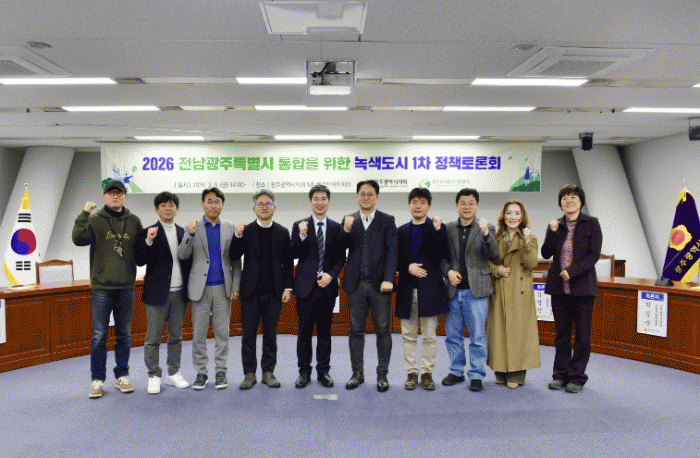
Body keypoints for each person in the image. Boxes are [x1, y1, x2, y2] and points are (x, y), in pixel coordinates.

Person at [72, 179, 143, 399]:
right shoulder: (95, 220)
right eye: (111, 193)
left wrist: (149, 242)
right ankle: (97, 379)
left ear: (125, 197)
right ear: (104, 197)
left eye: (119, 193)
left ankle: (122, 376)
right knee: (99, 335)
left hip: (126, 287)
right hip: (101, 287)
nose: (115, 196)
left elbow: (140, 254)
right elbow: (78, 239)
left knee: (124, 335)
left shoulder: (134, 221)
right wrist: (84, 213)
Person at [177, 187, 240, 391]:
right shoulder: (192, 227)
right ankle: (201, 373)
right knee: (199, 335)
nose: (213, 205)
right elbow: (182, 254)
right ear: (203, 204)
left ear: (222, 204)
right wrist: (189, 234)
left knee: (222, 333)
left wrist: (236, 285)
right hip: (200, 289)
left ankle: (221, 372)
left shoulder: (230, 227)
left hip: (223, 287)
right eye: (209, 201)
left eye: (217, 201)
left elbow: (235, 260)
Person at [541, 185, 602, 394]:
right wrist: (552, 233)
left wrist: (572, 271)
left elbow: (594, 255)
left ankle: (577, 377)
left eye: (573, 197)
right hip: (559, 289)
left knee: (582, 336)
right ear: (560, 203)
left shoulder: (591, 223)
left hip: (583, 288)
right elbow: (546, 253)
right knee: (562, 334)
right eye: (565, 198)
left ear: (581, 201)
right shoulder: (555, 225)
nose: (569, 201)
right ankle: (560, 375)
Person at [231, 189, 293, 390]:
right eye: (260, 204)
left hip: (274, 292)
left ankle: (268, 372)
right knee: (248, 335)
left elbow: (287, 262)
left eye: (268, 204)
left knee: (270, 335)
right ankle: (249, 373)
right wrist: (237, 236)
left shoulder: (282, 232)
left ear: (274, 207)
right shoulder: (246, 231)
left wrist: (287, 287)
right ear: (254, 209)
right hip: (250, 292)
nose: (264, 207)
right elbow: (234, 255)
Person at [342, 179, 398, 392]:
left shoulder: (387, 220)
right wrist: (346, 231)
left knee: (383, 330)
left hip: (379, 286)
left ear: (377, 197)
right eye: (362, 194)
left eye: (370, 194)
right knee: (355, 330)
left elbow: (392, 252)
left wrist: (389, 278)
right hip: (355, 285)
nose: (366, 198)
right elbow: (339, 248)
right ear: (357, 197)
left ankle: (382, 374)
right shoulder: (349, 220)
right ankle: (357, 373)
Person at [134, 192, 192, 394]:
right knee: (153, 338)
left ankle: (173, 373)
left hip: (179, 293)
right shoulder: (147, 232)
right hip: (156, 294)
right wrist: (148, 241)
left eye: (171, 205)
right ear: (156, 209)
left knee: (176, 337)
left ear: (177, 209)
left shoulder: (183, 232)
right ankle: (153, 375)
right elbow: (140, 260)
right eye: (163, 205)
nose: (168, 208)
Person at [441, 188, 498, 392]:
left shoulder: (487, 227)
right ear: (457, 206)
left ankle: (476, 374)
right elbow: (441, 257)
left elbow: (493, 253)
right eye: (463, 203)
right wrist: (448, 272)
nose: (467, 207)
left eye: (471, 203)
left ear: (477, 206)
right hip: (453, 291)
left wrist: (486, 234)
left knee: (478, 336)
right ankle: (456, 371)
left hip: (477, 291)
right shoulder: (448, 228)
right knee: (453, 335)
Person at [290, 184, 346, 389]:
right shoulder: (299, 225)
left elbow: (340, 259)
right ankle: (304, 372)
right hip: (305, 288)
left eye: (323, 199)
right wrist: (302, 236)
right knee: (304, 333)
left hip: (327, 288)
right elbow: (293, 253)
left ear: (328, 202)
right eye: (316, 199)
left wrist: (331, 275)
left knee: (324, 333)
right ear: (310, 202)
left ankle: (323, 371)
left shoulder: (336, 228)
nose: (320, 202)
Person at [395, 188, 450, 391]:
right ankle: (412, 373)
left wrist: (437, 231)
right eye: (414, 202)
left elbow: (444, 254)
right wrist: (407, 267)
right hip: (407, 290)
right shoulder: (401, 231)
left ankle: (427, 373)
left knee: (429, 336)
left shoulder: (438, 228)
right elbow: (395, 259)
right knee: (408, 335)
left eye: (422, 202)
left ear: (429, 206)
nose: (418, 206)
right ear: (409, 205)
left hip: (430, 290)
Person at [486, 199, 541, 389]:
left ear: (522, 216)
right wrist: (497, 270)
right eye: (509, 213)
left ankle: (516, 374)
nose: (513, 217)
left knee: (518, 332)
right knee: (499, 332)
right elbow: (487, 261)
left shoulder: (529, 236)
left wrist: (527, 242)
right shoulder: (496, 236)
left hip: (520, 291)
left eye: (517, 213)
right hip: (500, 289)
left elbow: (532, 262)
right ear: (504, 215)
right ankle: (500, 371)